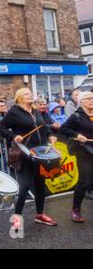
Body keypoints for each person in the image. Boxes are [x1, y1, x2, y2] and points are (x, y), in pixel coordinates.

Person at [0, 88, 58, 230]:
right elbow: (0, 127)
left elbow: (43, 127)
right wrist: (13, 136)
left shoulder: (36, 111)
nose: (30, 95)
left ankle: (40, 214)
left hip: (40, 154)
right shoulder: (14, 112)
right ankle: (16, 218)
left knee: (40, 185)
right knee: (24, 187)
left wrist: (50, 136)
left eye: (31, 93)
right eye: (26, 94)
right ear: (19, 98)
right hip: (25, 154)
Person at [60, 91, 93, 222]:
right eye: (89, 98)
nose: (92, 100)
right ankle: (75, 210)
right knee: (84, 181)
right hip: (83, 152)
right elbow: (63, 129)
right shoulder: (76, 116)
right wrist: (77, 135)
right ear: (81, 101)